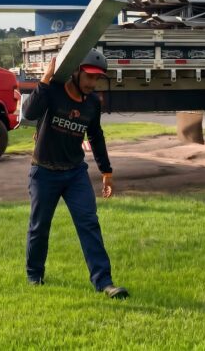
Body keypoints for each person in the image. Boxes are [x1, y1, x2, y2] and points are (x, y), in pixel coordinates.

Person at [22, 49, 129, 299]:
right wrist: (45, 80)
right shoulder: (53, 92)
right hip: (44, 172)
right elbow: (29, 113)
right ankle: (34, 275)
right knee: (39, 227)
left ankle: (104, 282)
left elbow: (96, 136)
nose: (92, 83)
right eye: (89, 77)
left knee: (89, 224)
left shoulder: (92, 103)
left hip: (75, 174)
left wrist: (106, 171)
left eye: (97, 78)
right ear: (76, 72)